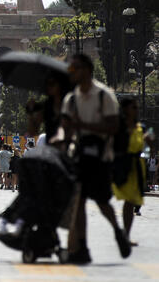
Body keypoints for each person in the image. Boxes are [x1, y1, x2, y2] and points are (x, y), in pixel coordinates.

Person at [61, 53, 130, 264]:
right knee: (79, 202)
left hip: (101, 155)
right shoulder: (70, 99)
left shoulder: (104, 95)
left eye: (75, 69)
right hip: (80, 155)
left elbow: (114, 126)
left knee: (101, 201)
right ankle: (82, 246)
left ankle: (118, 231)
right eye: (70, 69)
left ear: (87, 70)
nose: (71, 73)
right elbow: (68, 131)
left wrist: (83, 126)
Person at [112, 98, 149, 246]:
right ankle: (124, 235)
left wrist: (149, 142)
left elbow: (145, 147)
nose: (136, 110)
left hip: (138, 167)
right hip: (125, 166)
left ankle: (125, 235)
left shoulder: (141, 127)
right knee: (129, 201)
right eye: (133, 107)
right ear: (126, 109)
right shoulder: (120, 127)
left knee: (133, 201)